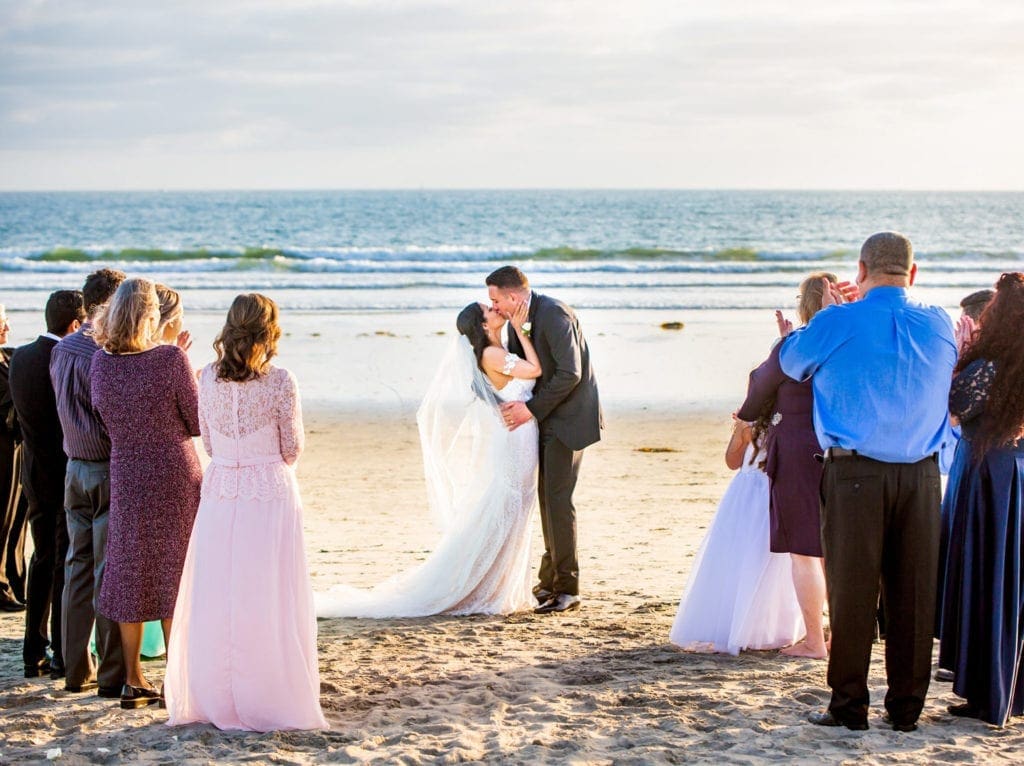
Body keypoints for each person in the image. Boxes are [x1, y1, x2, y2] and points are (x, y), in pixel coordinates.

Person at [779, 232, 956, 732]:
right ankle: (905, 710)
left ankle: (849, 707)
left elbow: (793, 364)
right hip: (922, 476)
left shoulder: (837, 319)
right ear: (913, 273)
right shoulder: (939, 320)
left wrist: (829, 316)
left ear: (860, 270)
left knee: (853, 591)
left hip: (855, 471)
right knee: (913, 594)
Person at [317, 299, 543, 618]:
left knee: (514, 506)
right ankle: (490, 586)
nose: (497, 310)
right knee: (511, 505)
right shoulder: (492, 354)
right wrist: (523, 329)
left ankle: (499, 583)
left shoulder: (496, 349)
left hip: (518, 432)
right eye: (490, 310)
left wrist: (518, 333)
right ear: (482, 325)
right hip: (517, 436)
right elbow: (535, 370)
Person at [166, 294, 327, 731]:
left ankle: (216, 694)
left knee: (220, 591)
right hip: (268, 488)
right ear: (268, 330)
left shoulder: (207, 377)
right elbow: (292, 448)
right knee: (269, 591)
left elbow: (212, 446)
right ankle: (270, 691)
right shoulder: (281, 380)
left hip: (222, 489)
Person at [90, 278, 202, 709]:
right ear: (151, 313)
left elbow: (103, 417)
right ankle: (176, 676)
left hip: (128, 470)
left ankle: (133, 678)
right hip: (173, 470)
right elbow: (195, 421)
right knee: (175, 567)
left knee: (131, 566)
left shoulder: (100, 363)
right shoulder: (172, 358)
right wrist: (185, 364)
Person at [487, 266, 602, 614]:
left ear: (514, 297)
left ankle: (568, 589)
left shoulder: (553, 314)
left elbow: (571, 373)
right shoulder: (520, 319)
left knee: (558, 501)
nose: (493, 306)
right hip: (547, 420)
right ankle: (549, 581)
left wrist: (530, 410)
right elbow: (526, 364)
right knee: (547, 500)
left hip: (569, 421)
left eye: (496, 299)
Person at [937, 272, 1024, 726]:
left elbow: (949, 407)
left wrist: (959, 354)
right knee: (1012, 586)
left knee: (985, 579)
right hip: (1018, 475)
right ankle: (1011, 690)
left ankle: (987, 693)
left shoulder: (986, 365)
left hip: (987, 476)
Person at [736, 272, 838, 659]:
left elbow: (759, 387)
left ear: (804, 306)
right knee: (835, 550)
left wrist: (781, 343)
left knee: (804, 551)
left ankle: (814, 641)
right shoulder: (847, 344)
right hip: (843, 449)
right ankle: (838, 635)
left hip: (798, 451)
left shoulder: (794, 346)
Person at [50, 268, 127, 697]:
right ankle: (113, 671)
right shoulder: (102, 352)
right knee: (107, 571)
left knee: (77, 569)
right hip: (102, 468)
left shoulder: (62, 349)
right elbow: (108, 415)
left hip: (73, 467)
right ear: (111, 303)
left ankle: (76, 668)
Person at [669, 415, 803, 654]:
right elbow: (732, 461)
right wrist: (740, 436)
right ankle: (737, 624)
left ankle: (766, 627)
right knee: (738, 555)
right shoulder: (748, 421)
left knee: (770, 559)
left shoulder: (785, 416)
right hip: (745, 491)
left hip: (770, 489)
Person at [9, 290, 86, 679]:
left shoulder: (19, 357)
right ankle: (59, 652)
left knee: (41, 561)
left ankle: (31, 653)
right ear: (74, 324)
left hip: (33, 474)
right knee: (63, 563)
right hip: (66, 471)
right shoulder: (64, 359)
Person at [0, 304, 28, 612]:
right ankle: (2, 587)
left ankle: (15, 580)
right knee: (4, 517)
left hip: (19, 449)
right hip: (4, 450)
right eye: (2, 323)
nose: (6, 329)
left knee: (19, 518)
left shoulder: (10, 356)